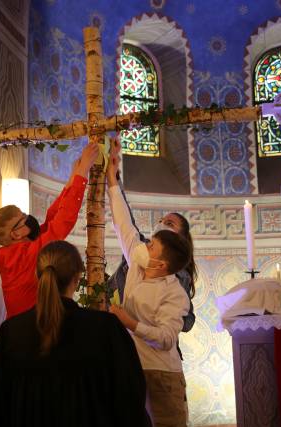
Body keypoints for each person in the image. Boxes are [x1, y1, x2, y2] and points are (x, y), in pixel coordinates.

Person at [0, 240, 151, 427]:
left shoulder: (11, 331)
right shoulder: (105, 328)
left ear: (37, 276)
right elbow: (130, 396)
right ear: (77, 277)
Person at [106, 141, 192, 427]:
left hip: (162, 374)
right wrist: (112, 181)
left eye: (152, 245)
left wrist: (128, 321)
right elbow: (123, 224)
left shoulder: (176, 293)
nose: (145, 245)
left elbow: (167, 338)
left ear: (161, 264)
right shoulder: (137, 264)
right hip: (131, 367)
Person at [0, 142, 99, 318]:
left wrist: (72, 179)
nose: (28, 218)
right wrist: (83, 171)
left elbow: (50, 220)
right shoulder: (20, 258)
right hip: (28, 331)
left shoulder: (18, 252)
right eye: (23, 218)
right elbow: (61, 223)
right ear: (16, 234)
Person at [106, 143, 197, 337]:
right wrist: (113, 178)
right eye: (161, 221)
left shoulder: (176, 282)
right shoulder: (141, 253)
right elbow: (125, 222)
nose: (162, 225)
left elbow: (176, 328)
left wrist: (132, 321)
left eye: (170, 223)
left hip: (158, 360)